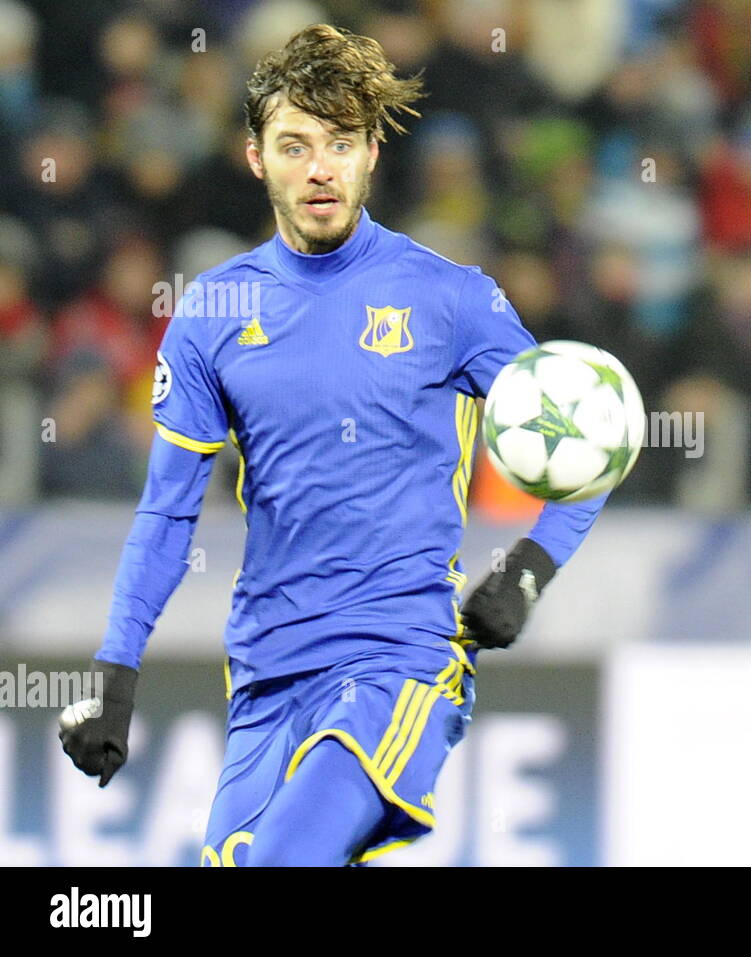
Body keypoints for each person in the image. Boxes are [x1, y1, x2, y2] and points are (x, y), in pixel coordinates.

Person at [58, 24, 607, 867]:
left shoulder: (451, 299)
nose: (320, 168)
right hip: (265, 678)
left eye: (341, 143)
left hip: (398, 660)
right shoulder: (211, 314)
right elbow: (167, 512)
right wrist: (116, 672)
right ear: (255, 159)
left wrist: (529, 569)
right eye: (295, 145)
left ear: (372, 152)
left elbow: (592, 437)